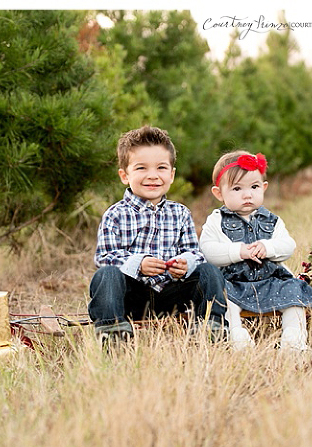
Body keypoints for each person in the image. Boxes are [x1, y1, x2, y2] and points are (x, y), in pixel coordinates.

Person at [88, 126, 228, 343]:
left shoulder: (180, 212)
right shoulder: (115, 214)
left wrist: (185, 264)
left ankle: (210, 326)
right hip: (132, 296)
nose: (152, 176)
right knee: (106, 275)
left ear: (171, 175)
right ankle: (112, 329)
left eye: (161, 168)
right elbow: (105, 257)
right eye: (141, 168)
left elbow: (194, 252)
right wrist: (138, 263)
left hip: (172, 294)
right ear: (125, 176)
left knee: (208, 271)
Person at [200, 150, 312, 350]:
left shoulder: (272, 221)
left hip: (271, 280)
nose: (247, 195)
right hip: (233, 283)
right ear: (218, 193)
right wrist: (238, 251)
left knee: (294, 296)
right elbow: (208, 251)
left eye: (254, 187)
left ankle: (294, 342)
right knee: (224, 302)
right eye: (237, 189)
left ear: (264, 188)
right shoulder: (216, 220)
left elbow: (288, 246)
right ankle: (238, 339)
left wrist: (268, 247)